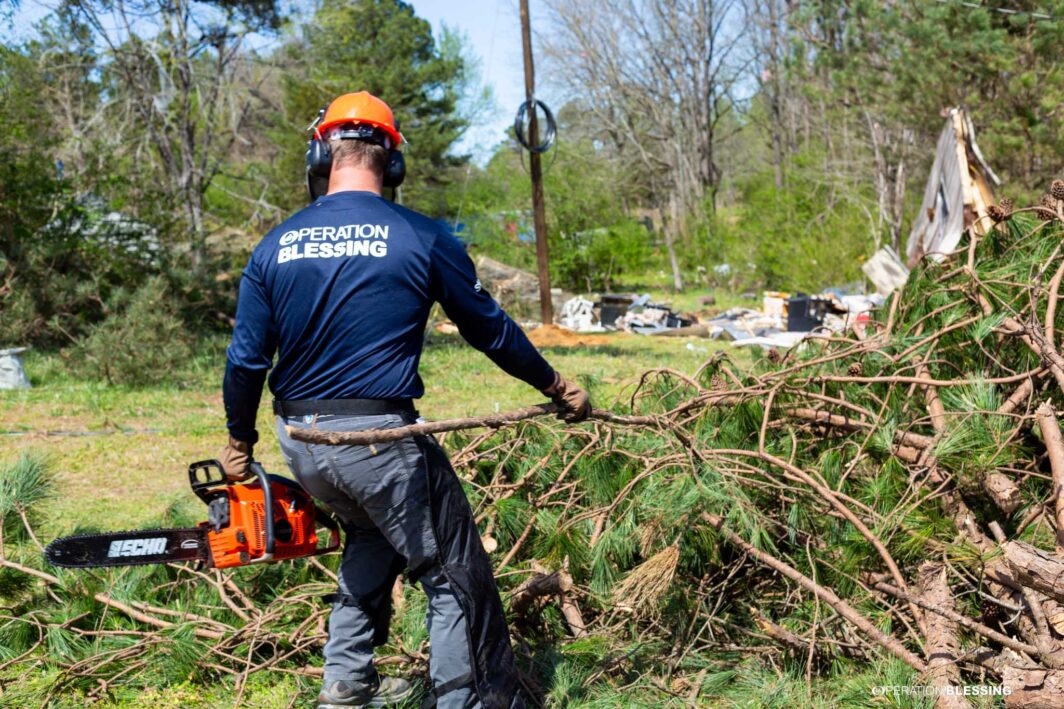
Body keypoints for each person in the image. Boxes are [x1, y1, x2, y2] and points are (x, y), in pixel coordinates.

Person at [218, 91, 591, 709]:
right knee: (452, 572)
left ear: (321, 155)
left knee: (371, 537)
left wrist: (238, 442)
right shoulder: (419, 235)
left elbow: (246, 360)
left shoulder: (275, 245)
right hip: (379, 442)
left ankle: (344, 688)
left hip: (302, 442)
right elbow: (488, 328)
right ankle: (467, 699)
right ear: (392, 163)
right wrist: (553, 384)